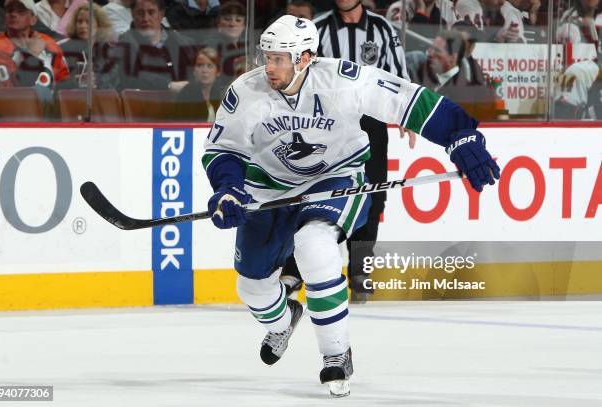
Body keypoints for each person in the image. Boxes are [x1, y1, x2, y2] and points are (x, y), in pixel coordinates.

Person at [202, 15, 500, 397]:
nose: (270, 66)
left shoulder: (343, 79)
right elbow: (223, 150)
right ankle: (282, 321)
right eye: (267, 56)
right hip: (270, 189)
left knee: (315, 245)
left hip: (335, 179)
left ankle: (336, 354)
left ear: (305, 58)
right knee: (252, 287)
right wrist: (228, 190)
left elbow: (408, 100)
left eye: (280, 58)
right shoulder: (246, 91)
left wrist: (460, 135)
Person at [281, 0, 413, 302]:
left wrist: (407, 112)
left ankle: (360, 270)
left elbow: (398, 73)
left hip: (372, 122)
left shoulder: (381, 27)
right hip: (329, 122)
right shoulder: (321, 28)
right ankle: (295, 268)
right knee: (315, 192)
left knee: (373, 195)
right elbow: (306, 73)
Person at [0, 0, 69, 89]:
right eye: (9, 10)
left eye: (20, 11)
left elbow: (66, 86)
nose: (13, 14)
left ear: (33, 20)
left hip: (50, 101)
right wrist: (32, 54)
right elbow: (17, 88)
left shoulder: (49, 43)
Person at [116, 0, 193, 91]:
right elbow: (130, 75)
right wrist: (169, 85)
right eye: (140, 13)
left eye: (151, 12)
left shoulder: (182, 42)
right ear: (133, 15)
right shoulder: (126, 42)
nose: (145, 18)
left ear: (161, 14)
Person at [57, 3, 118, 89]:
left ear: (99, 25)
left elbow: (115, 85)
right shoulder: (63, 49)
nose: (83, 26)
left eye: (88, 22)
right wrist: (74, 82)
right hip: (71, 98)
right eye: (79, 21)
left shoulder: (109, 51)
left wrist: (97, 81)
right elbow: (55, 85)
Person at [174, 47, 230, 121]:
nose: (204, 70)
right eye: (200, 66)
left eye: (209, 66)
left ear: (218, 71)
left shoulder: (223, 93)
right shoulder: (186, 94)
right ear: (194, 70)